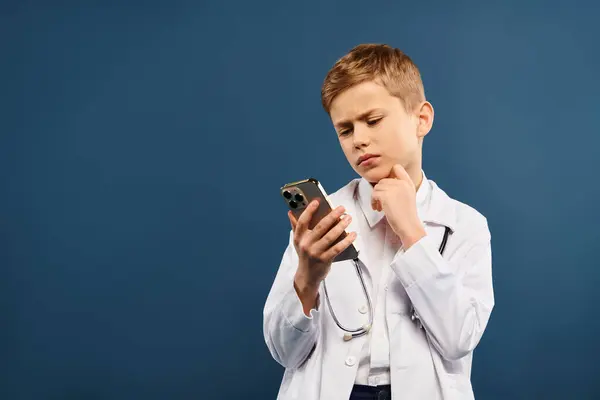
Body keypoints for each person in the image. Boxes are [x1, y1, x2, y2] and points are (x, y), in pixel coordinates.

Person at [263, 43, 494, 400]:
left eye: (372, 120)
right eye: (345, 130)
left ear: (422, 119)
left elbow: (459, 340)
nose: (360, 140)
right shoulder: (323, 220)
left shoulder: (465, 225)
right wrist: (306, 279)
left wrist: (413, 234)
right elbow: (283, 352)